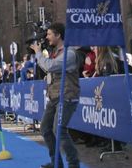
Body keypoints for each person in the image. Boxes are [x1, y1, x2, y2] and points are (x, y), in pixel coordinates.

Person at [30, 22, 81, 168]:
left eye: (50, 34)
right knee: (45, 128)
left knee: (59, 130)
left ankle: (73, 164)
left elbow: (50, 66)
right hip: (54, 96)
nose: (47, 37)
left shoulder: (69, 53)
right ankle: (56, 162)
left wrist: (38, 53)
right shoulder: (56, 52)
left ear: (58, 35)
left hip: (66, 96)